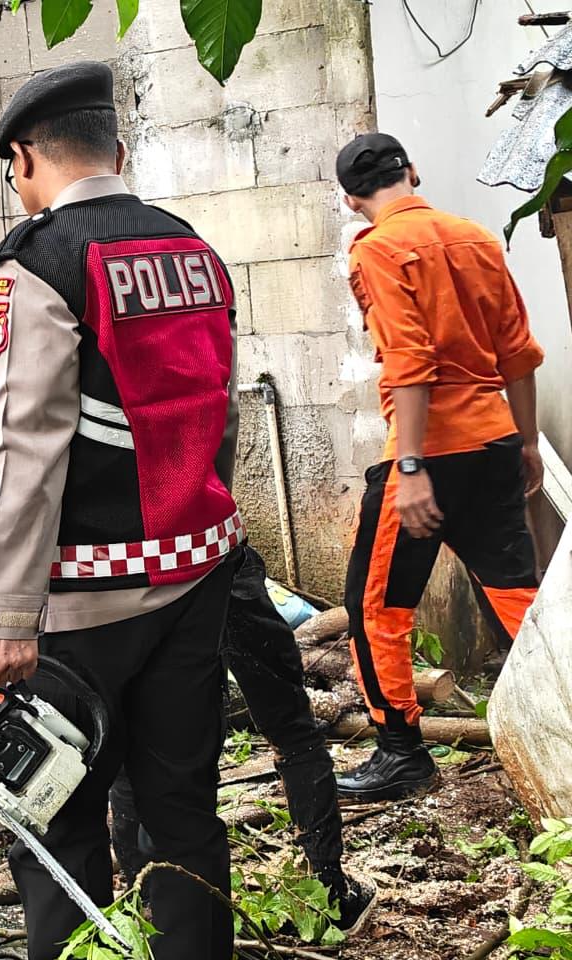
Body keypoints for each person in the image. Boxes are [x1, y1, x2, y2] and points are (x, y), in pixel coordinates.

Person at [0, 61, 245, 960]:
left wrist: (8, 616)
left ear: (22, 160)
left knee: (60, 824)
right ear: (117, 152)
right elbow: (220, 409)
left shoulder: (37, 264)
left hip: (83, 605)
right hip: (196, 579)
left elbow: (31, 449)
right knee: (182, 813)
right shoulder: (191, 248)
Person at [334, 133, 545, 801]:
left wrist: (415, 467)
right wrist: (529, 443)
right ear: (412, 172)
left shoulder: (376, 250)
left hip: (432, 454)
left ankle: (401, 750)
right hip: (497, 441)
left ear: (350, 200)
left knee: (375, 607)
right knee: (520, 599)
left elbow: (411, 364)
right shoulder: (476, 237)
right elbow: (517, 351)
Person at [110, 545, 375, 934]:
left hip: (121, 578)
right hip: (209, 557)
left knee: (134, 739)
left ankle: (144, 898)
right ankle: (330, 891)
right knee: (292, 728)